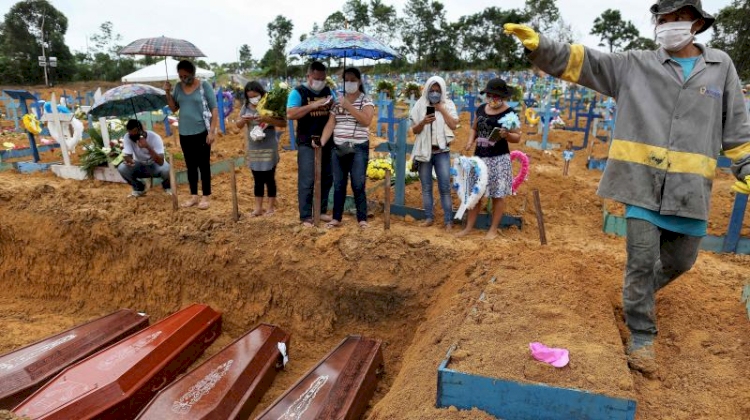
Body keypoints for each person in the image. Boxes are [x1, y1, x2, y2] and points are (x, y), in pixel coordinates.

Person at [504, 0, 750, 375]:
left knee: (681, 261)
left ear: (697, 23)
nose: (669, 26)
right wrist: (540, 46)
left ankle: (637, 297)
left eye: (678, 19)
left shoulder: (721, 68)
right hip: (641, 186)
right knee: (640, 260)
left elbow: (736, 126)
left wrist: (746, 164)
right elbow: (585, 63)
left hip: (689, 191)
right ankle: (641, 336)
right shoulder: (636, 65)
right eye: (663, 20)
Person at [457, 78, 521, 239]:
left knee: (497, 195)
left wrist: (507, 135)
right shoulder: (480, 109)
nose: (493, 98)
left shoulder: (509, 113)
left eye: (496, 95)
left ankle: (492, 229)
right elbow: (474, 128)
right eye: (490, 95)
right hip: (480, 158)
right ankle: (468, 228)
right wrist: (470, 141)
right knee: (476, 193)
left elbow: (517, 137)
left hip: (498, 158)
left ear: (503, 96)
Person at [319, 67, 374, 229]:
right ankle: (337, 217)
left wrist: (348, 106)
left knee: (358, 183)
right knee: (339, 184)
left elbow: (366, 120)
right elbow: (331, 124)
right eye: (347, 80)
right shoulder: (337, 102)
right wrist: (322, 141)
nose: (349, 83)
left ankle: (362, 218)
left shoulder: (366, 100)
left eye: (353, 80)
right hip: (338, 147)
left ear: (359, 81)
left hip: (358, 148)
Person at [287, 61, 337, 227]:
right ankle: (306, 215)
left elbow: (334, 112)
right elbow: (291, 113)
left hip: (326, 141)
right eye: (316, 78)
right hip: (306, 142)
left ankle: (321, 210)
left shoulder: (328, 92)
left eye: (323, 78)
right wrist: (313, 105)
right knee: (307, 178)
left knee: (327, 177)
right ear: (308, 76)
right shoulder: (298, 92)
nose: (320, 81)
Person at [164, 60, 218, 210]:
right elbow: (174, 108)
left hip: (201, 132)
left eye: (186, 76)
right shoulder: (178, 88)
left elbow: (214, 109)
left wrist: (212, 131)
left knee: (204, 165)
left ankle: (206, 196)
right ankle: (194, 195)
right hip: (184, 133)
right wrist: (168, 92)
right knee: (191, 166)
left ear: (192, 73)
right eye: (180, 76)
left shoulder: (204, 86)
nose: (183, 79)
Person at [410, 76, 460, 231]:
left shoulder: (448, 104)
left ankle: (448, 221)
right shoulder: (420, 104)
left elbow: (453, 125)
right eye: (432, 90)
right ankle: (429, 217)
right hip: (425, 152)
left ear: (442, 91)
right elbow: (415, 130)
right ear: (427, 90)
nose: (434, 93)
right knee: (426, 187)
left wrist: (441, 109)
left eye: (438, 90)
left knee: (445, 187)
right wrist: (424, 121)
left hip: (442, 152)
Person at [236, 81, 286, 217]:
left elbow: (283, 123)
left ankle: (270, 208)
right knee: (257, 178)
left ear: (261, 94)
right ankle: (258, 208)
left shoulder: (270, 105)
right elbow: (238, 124)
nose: (254, 99)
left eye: (256, 96)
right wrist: (244, 120)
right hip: (254, 148)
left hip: (269, 146)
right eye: (250, 96)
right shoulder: (246, 107)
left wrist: (266, 119)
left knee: (269, 178)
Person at [117, 119, 171, 197]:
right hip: (139, 164)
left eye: (134, 132)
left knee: (167, 169)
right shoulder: (128, 137)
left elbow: (161, 162)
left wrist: (147, 147)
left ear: (141, 130)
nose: (131, 136)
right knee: (122, 168)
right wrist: (128, 160)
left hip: (155, 164)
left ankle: (167, 187)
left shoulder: (155, 137)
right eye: (130, 133)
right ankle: (139, 188)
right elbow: (128, 155)